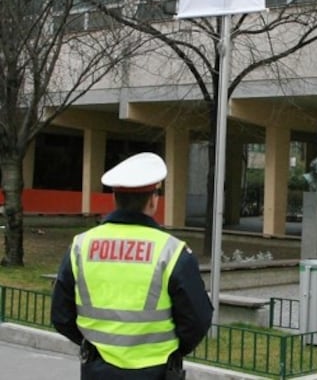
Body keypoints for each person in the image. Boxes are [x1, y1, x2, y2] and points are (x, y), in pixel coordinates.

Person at [51, 152, 213, 379]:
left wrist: (97, 348)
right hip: (155, 371)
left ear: (115, 198)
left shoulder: (81, 246)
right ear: (153, 200)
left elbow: (61, 316)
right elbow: (197, 320)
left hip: (97, 370)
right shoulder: (172, 251)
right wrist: (168, 352)